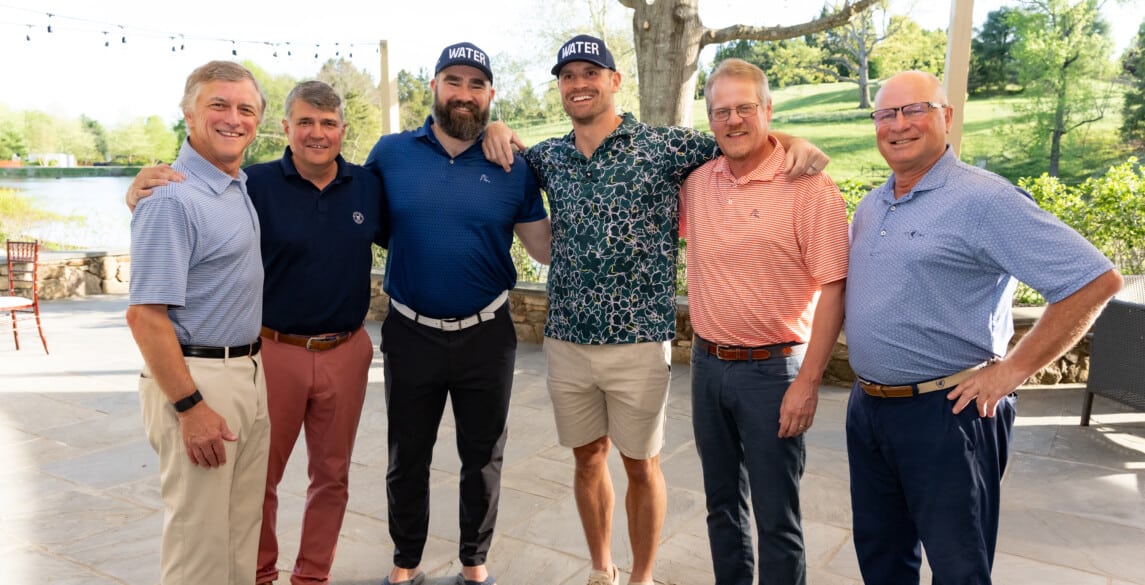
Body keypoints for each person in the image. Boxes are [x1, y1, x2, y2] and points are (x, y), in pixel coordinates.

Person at [503, 35, 828, 585]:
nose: (579, 83)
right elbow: (501, 164)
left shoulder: (666, 147)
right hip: (566, 340)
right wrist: (495, 129)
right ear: (560, 87)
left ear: (614, 81)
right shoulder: (548, 158)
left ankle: (642, 577)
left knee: (640, 465)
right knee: (587, 461)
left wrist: (791, 138)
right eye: (568, 76)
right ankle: (602, 569)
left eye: (591, 72)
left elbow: (742, 139)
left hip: (639, 341)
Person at [844, 70, 1123, 584]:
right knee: (883, 560)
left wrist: (1011, 371)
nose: (899, 124)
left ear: (945, 117)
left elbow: (1094, 280)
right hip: (870, 410)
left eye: (915, 109)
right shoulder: (871, 203)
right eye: (886, 114)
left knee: (959, 568)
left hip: (947, 415)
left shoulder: (984, 199)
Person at [127, 80, 386, 585]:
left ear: (343, 131)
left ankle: (312, 576)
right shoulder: (252, 183)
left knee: (331, 477)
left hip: (346, 350)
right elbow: (185, 204)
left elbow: (417, 225)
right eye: (305, 122)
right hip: (273, 351)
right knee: (256, 480)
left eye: (328, 124)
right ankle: (260, 574)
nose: (317, 133)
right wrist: (139, 189)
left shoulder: (368, 186)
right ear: (285, 128)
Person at [363, 42, 550, 585]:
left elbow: (545, 249)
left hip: (486, 335)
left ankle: (474, 565)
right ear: (434, 88)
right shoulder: (390, 153)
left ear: (490, 95)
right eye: (454, 82)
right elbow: (343, 209)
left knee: (483, 456)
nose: (464, 94)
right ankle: (405, 566)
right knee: (407, 456)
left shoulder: (512, 163)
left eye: (476, 85)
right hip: (410, 331)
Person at [680, 59, 849, 585]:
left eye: (745, 108)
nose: (733, 120)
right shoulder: (698, 184)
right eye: (721, 111)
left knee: (777, 519)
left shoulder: (809, 187)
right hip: (706, 365)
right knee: (721, 507)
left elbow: (834, 287)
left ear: (769, 111)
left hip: (773, 373)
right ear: (709, 120)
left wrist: (808, 381)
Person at [125, 60, 271, 585]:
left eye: (246, 109)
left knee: (236, 533)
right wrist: (190, 407)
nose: (234, 118)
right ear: (189, 113)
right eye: (219, 105)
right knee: (198, 548)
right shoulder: (170, 198)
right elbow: (144, 318)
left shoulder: (237, 186)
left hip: (247, 374)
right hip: (199, 382)